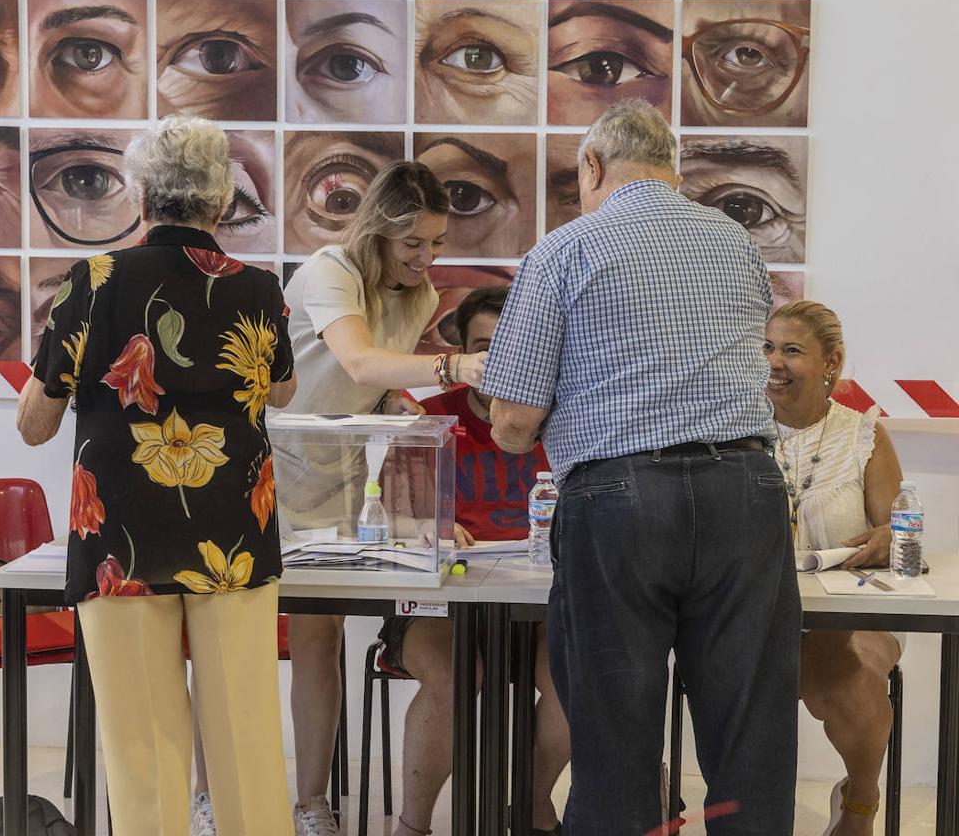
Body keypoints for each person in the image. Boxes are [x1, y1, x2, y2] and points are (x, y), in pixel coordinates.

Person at [484, 99, 800, 835]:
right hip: (745, 492)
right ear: (674, 169)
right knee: (751, 737)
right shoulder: (734, 242)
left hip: (619, 501)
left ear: (592, 166)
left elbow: (513, 421)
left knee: (615, 739)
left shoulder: (565, 250)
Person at [16, 114, 296, 836]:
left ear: (139, 195)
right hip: (234, 527)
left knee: (141, 738)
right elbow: (284, 390)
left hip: (118, 536)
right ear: (219, 201)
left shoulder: (94, 280)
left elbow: (35, 423)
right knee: (247, 731)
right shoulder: (261, 289)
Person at [279, 160, 485, 836]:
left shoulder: (418, 297)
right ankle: (215, 796)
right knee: (240, 644)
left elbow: (372, 386)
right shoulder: (331, 271)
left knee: (319, 637)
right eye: (413, 244)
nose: (426, 260)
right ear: (378, 232)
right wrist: (458, 366)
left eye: (437, 244)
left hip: (336, 476)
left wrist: (400, 406)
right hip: (269, 471)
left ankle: (310, 803)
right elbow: (360, 361)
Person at [378, 286, 568, 836]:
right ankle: (412, 826)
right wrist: (427, 526)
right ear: (462, 349)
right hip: (445, 599)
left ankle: (530, 805)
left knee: (572, 675)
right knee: (455, 676)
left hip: (539, 598)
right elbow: (394, 516)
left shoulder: (565, 419)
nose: (499, 361)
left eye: (512, 346)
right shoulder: (429, 417)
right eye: (485, 346)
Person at [765, 300, 906, 836]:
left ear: (832, 362)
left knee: (843, 674)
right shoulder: (735, 429)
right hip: (758, 609)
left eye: (792, 350)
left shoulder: (864, 435)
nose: (775, 362)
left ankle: (860, 803)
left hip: (854, 603)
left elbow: (897, 529)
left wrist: (886, 536)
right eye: (767, 348)